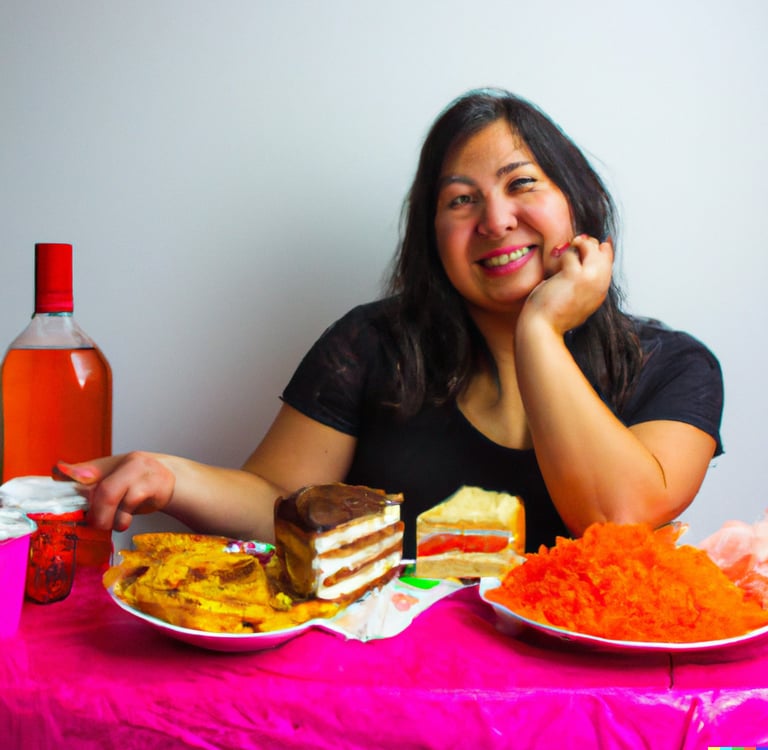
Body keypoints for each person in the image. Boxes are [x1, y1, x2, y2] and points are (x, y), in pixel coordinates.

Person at [60, 88, 724, 557]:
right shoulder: (371, 345)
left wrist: (539, 331)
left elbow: (617, 518)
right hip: (390, 683)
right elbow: (276, 501)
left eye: (521, 183)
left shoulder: (673, 366)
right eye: (461, 200)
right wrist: (170, 477)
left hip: (583, 694)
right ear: (432, 236)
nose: (495, 220)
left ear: (580, 201)